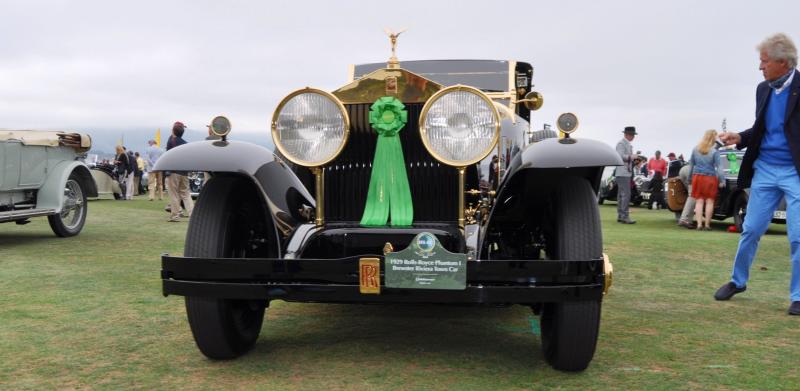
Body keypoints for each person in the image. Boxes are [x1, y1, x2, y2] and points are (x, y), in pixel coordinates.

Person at [714, 33, 800, 316]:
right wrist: (738, 136)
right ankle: (738, 281)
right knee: (750, 230)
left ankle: (798, 296)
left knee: (797, 236)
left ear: (783, 63)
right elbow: (761, 129)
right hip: (764, 169)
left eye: (764, 62)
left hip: (794, 173)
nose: (760, 67)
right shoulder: (762, 89)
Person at [689, 130, 725, 230]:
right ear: (714, 138)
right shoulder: (714, 152)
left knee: (699, 201)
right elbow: (720, 168)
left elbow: (691, 165)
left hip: (697, 177)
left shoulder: (695, 149)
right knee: (710, 202)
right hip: (710, 178)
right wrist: (722, 180)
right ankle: (707, 225)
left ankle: (699, 224)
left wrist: (689, 179)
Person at [166, 121, 194, 222]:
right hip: (184, 172)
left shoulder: (171, 141)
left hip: (173, 171)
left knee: (174, 194)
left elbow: (167, 156)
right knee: (186, 194)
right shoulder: (186, 144)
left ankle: (175, 215)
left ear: (173, 130)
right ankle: (193, 214)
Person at [615, 126, 638, 224]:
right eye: (632, 135)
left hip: (624, 172)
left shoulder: (627, 144)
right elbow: (619, 156)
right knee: (626, 195)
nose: (633, 137)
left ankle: (621, 215)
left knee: (621, 195)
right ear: (627, 134)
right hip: (623, 172)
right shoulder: (621, 144)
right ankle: (624, 216)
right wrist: (631, 157)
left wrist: (633, 160)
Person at [677, 164, 697, 228]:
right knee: (692, 196)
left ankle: (688, 220)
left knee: (691, 196)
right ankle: (684, 219)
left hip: (684, 169)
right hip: (693, 170)